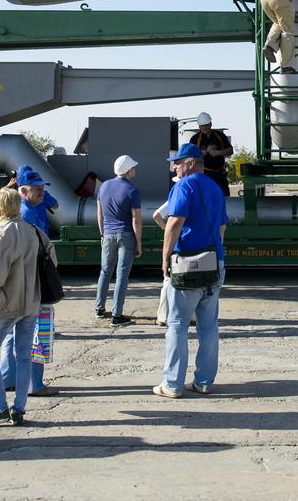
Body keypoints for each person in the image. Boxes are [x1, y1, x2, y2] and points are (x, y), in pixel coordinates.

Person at [154, 143, 229, 399]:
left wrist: (165, 257)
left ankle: (172, 384)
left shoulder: (183, 186)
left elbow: (174, 222)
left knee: (176, 325)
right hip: (215, 263)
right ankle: (204, 382)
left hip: (187, 265)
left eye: (177, 162)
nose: (174, 166)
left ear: (190, 163)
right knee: (209, 327)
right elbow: (222, 228)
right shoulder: (216, 188)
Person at [0, 187, 42, 427]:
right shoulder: (32, 230)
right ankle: (19, 409)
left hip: (7, 303)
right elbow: (51, 260)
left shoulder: (2, 233)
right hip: (31, 303)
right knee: (24, 356)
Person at [0, 166, 59, 396]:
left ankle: (8, 378)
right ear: (22, 191)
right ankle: (34, 383)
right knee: (34, 330)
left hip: (22, 280)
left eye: (43, 188)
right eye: (36, 189)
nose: (41, 192)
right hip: (32, 280)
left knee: (14, 330)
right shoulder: (24, 215)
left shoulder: (20, 210)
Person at [95, 155, 143, 324]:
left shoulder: (104, 186)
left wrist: (102, 234)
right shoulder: (132, 190)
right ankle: (117, 314)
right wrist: (139, 243)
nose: (135, 170)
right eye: (133, 168)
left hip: (108, 234)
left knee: (105, 271)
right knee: (122, 274)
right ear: (128, 171)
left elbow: (99, 213)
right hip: (126, 235)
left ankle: (99, 308)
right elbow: (136, 219)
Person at [188, 112, 234, 196]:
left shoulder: (220, 135)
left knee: (225, 198)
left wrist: (218, 152)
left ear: (211, 124)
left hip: (220, 174)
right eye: (202, 125)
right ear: (199, 126)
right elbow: (190, 157)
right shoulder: (194, 139)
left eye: (206, 124)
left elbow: (230, 150)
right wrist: (204, 153)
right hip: (204, 174)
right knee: (206, 198)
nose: (205, 127)